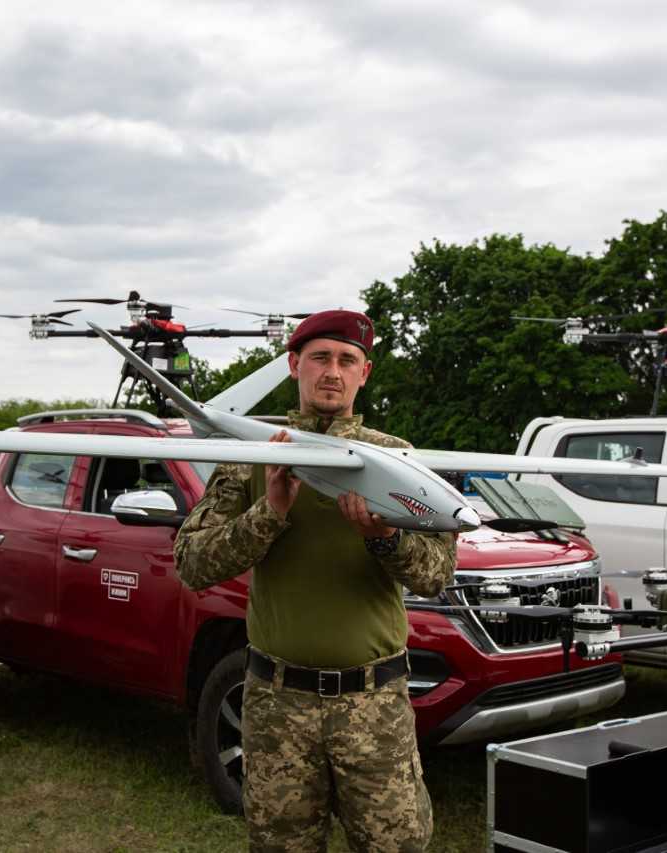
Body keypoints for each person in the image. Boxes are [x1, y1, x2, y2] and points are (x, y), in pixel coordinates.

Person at [174, 309, 456, 853]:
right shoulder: (254, 455)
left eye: (346, 360)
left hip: (374, 706)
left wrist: (384, 538)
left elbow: (436, 574)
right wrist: (271, 510)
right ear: (293, 365)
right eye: (320, 358)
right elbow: (192, 563)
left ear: (364, 373)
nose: (333, 372)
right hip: (278, 703)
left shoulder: (393, 459)